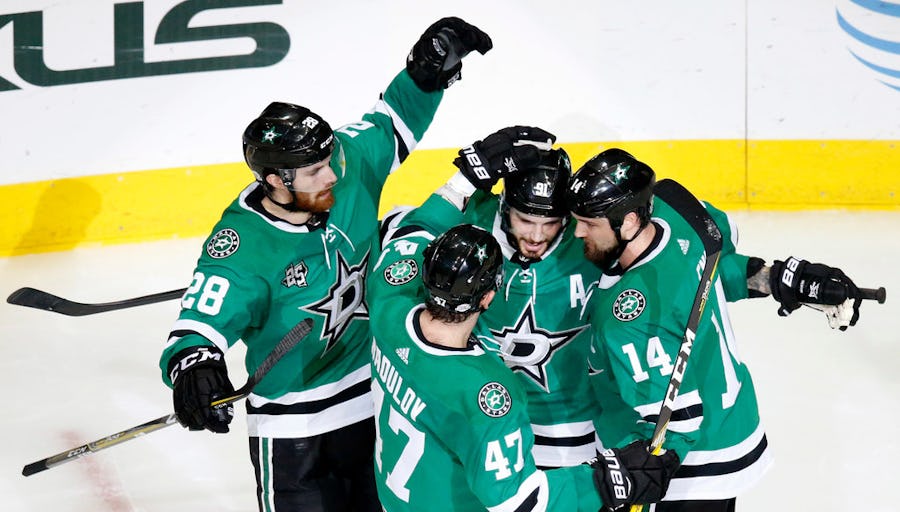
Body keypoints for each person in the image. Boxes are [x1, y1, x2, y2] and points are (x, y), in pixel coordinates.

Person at [157, 17, 492, 512]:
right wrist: (194, 367)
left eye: (329, 159)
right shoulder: (241, 247)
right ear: (275, 180)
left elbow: (391, 118)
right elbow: (197, 329)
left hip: (378, 398)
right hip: (296, 430)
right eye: (314, 171)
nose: (332, 174)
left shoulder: (343, 162)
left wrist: (426, 73)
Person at [566, 148, 865, 511]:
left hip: (688, 474)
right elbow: (712, 267)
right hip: (732, 423)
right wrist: (773, 278)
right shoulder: (676, 211)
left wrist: (643, 471)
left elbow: (676, 425)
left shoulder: (630, 319)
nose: (578, 231)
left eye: (589, 224)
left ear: (628, 222)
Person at [369, 213, 678, 511]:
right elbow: (519, 503)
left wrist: (458, 185)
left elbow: (411, 230)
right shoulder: (487, 395)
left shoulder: (387, 307)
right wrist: (606, 481)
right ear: (488, 298)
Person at [399, 126, 604, 468]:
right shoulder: (469, 226)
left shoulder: (592, 241)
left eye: (551, 223)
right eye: (525, 220)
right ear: (504, 206)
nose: (536, 236)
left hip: (572, 429)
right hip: (481, 422)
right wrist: (463, 180)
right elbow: (402, 238)